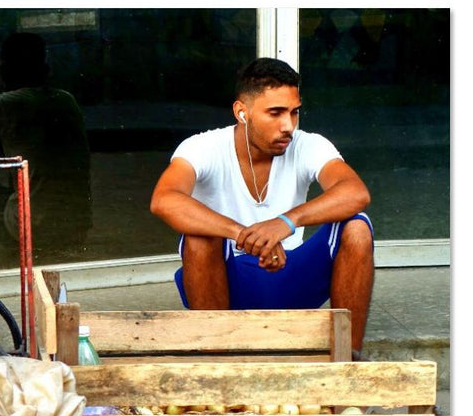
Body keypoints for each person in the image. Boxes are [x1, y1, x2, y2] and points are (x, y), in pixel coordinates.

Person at [150, 57, 374, 357]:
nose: (288, 126)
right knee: (199, 237)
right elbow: (164, 200)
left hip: (292, 277)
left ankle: (348, 361)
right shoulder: (202, 148)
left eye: (294, 113)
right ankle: (215, 365)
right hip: (228, 286)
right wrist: (246, 236)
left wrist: (285, 222)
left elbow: (355, 192)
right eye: (275, 113)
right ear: (242, 112)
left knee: (357, 227)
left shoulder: (308, 145)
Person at [0, 32, 92, 262]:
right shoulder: (66, 99)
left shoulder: (11, 103)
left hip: (33, 228)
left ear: (7, 68)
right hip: (76, 225)